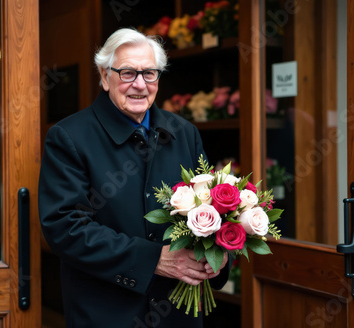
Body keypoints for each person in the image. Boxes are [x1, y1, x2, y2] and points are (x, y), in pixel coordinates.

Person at [38, 28, 229, 328]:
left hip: (177, 313)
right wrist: (152, 259)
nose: (140, 85)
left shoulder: (184, 133)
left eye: (149, 73)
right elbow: (65, 229)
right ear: (104, 76)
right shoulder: (69, 137)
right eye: (127, 73)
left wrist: (217, 253)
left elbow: (210, 208)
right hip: (107, 314)